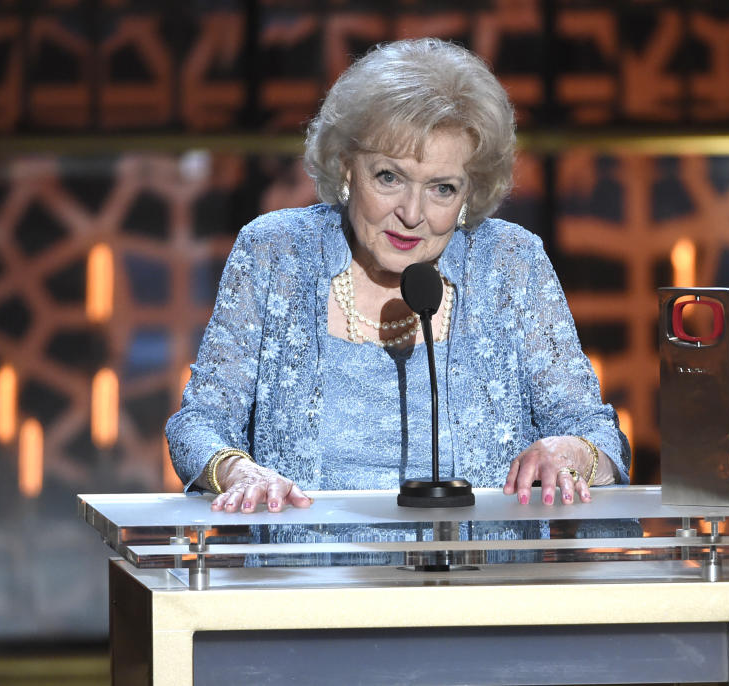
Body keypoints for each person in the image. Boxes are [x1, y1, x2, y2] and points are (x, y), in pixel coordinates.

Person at [166, 38, 630, 520]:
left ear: (469, 192)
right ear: (346, 166)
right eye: (389, 177)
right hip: (304, 584)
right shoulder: (276, 252)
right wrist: (240, 473)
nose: (412, 214)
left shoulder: (510, 262)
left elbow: (596, 434)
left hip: (480, 586)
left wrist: (569, 453)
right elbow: (200, 423)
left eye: (442, 188)